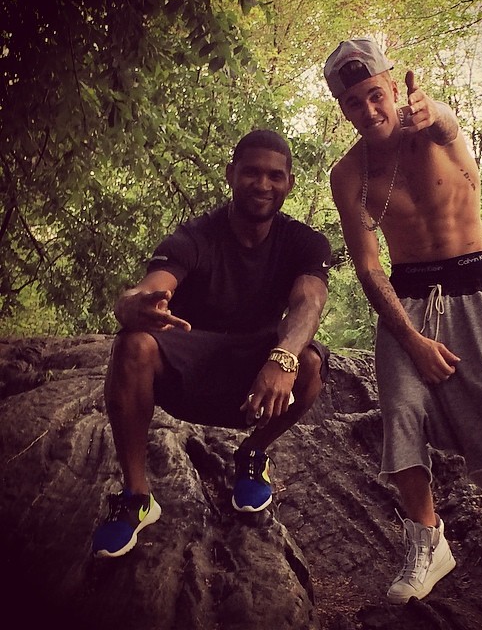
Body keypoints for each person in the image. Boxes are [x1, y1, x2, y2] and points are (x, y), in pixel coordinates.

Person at [323, 37, 482, 602]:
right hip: (406, 296)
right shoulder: (349, 175)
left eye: (375, 95)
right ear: (343, 109)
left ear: (392, 85)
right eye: (354, 104)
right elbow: (368, 267)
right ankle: (427, 540)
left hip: (475, 282)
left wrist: (432, 111)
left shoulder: (434, 129)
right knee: (401, 409)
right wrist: (409, 339)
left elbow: (446, 124)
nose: (370, 111)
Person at [92, 129, 331, 558]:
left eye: (275, 176)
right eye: (252, 173)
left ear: (289, 183)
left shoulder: (304, 242)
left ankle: (253, 454)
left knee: (309, 362)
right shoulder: (193, 237)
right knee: (133, 344)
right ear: (230, 175)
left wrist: (283, 355)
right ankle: (136, 497)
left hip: (254, 373)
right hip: (190, 364)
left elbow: (308, 302)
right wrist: (134, 306)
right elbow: (143, 292)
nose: (263, 184)